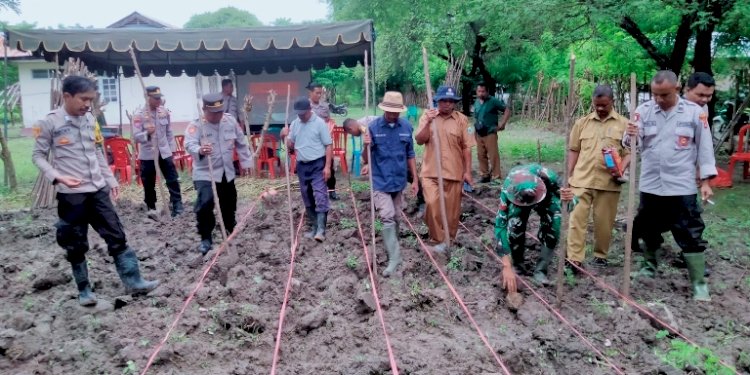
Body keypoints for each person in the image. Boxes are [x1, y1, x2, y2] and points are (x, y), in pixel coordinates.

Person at [32, 76, 158, 306]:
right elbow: (38, 156)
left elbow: (97, 151)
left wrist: (110, 180)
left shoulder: (90, 119)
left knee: (116, 235)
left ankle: (134, 281)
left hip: (97, 189)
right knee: (75, 242)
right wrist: (57, 177)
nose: (88, 104)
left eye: (91, 99)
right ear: (67, 96)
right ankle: (84, 290)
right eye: (84, 99)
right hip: (72, 195)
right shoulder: (49, 123)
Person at [623, 70, 716, 302]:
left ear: (677, 89)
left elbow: (705, 148)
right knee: (648, 228)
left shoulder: (694, 113)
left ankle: (699, 284)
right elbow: (631, 144)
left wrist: (706, 182)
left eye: (664, 95)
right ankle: (648, 266)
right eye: (655, 94)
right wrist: (630, 134)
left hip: (681, 185)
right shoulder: (643, 111)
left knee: (690, 232)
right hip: (651, 183)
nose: (658, 99)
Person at [566, 85, 630, 269]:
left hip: (608, 183)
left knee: (604, 224)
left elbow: (629, 152)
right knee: (576, 220)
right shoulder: (582, 123)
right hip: (581, 180)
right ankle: (574, 259)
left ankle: (600, 255)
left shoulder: (624, 125)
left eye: (604, 105)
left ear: (612, 101)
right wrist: (569, 175)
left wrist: (621, 169)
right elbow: (574, 150)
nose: (600, 109)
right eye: (597, 105)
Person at [184, 93, 254, 255]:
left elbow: (241, 142)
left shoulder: (229, 121)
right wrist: (200, 149)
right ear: (204, 110)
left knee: (229, 202)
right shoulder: (196, 125)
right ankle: (206, 237)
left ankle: (229, 230)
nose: (218, 115)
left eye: (220, 111)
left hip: (226, 172)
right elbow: (189, 144)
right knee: (205, 204)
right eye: (213, 113)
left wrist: (247, 162)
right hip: (205, 173)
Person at [359, 92, 419, 276]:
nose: (393, 114)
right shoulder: (373, 127)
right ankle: (394, 258)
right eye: (390, 111)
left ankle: (394, 244)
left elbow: (410, 154)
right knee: (387, 215)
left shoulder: (406, 127)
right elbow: (365, 159)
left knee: (397, 216)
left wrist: (415, 179)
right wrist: (366, 145)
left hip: (399, 180)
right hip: (380, 180)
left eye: (396, 112)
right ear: (384, 109)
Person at [494, 164, 575, 291]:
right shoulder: (508, 189)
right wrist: (506, 265)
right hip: (518, 199)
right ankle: (518, 265)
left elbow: (571, 202)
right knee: (514, 227)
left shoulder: (548, 176)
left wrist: (569, 199)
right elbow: (500, 224)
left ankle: (541, 270)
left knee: (555, 225)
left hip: (544, 196)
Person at [415, 85, 475, 252]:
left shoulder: (462, 120)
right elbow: (420, 139)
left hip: (454, 172)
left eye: (451, 101)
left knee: (452, 213)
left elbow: (467, 147)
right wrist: (427, 122)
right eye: (443, 101)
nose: (447, 104)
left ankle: (450, 240)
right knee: (432, 205)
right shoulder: (428, 116)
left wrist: (467, 172)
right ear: (437, 101)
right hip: (431, 172)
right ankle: (438, 240)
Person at [344, 116, 426, 214]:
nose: (353, 135)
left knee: (409, 174)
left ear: (350, 129)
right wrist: (369, 164)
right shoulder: (363, 126)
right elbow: (373, 149)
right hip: (386, 157)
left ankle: (422, 201)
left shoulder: (365, 126)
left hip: (396, 152)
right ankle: (387, 204)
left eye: (351, 133)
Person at [282, 96, 333, 242]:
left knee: (320, 194)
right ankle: (314, 226)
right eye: (298, 113)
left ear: (310, 110)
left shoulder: (319, 123)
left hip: (318, 164)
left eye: (303, 113)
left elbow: (328, 145)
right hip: (302, 165)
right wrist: (284, 136)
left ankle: (321, 230)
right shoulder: (295, 124)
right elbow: (290, 146)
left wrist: (327, 166)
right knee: (306, 195)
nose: (301, 116)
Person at [132, 86, 183, 218]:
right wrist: (147, 134)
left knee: (172, 179)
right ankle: (151, 207)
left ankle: (177, 205)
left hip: (164, 152)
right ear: (147, 98)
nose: (159, 100)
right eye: (155, 98)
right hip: (148, 154)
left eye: (160, 97)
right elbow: (136, 137)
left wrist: (172, 150)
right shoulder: (139, 115)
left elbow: (169, 132)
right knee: (148, 183)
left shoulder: (164, 112)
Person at [473, 82, 510, 183]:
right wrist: (474, 133)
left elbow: (506, 109)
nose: (481, 93)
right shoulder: (476, 102)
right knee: (481, 155)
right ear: (476, 92)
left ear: (487, 92)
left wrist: (502, 124)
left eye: (483, 91)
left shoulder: (493, 101)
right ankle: (484, 175)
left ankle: (496, 176)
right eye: (479, 91)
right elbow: (476, 118)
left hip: (490, 132)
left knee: (493, 155)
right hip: (479, 133)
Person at [308, 82, 338, 201]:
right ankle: (313, 193)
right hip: (311, 142)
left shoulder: (325, 106)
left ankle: (332, 191)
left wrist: (329, 128)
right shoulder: (306, 106)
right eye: (317, 93)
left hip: (325, 141)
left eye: (321, 93)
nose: (319, 95)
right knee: (312, 167)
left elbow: (328, 121)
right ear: (310, 92)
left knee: (329, 166)